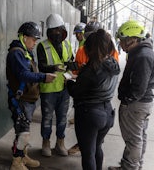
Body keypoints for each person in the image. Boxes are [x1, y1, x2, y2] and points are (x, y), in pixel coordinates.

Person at [67, 28, 120, 170]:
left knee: (88, 153)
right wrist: (85, 70)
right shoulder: (112, 64)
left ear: (90, 49)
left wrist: (69, 83)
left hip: (89, 114)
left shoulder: (92, 70)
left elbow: (76, 92)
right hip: (107, 112)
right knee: (97, 147)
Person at [6, 21, 57, 170]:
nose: (35, 43)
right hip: (20, 100)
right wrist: (43, 77)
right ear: (24, 37)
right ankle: (16, 162)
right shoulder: (16, 53)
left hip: (28, 100)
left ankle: (23, 156)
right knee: (23, 133)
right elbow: (23, 74)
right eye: (33, 39)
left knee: (24, 130)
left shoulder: (26, 52)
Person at [108, 20, 154, 170]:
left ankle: (130, 167)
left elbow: (139, 87)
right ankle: (132, 164)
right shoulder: (140, 52)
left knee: (134, 139)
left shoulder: (143, 56)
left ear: (132, 39)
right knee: (139, 137)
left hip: (136, 104)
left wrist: (127, 100)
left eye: (122, 40)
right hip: (141, 103)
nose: (120, 44)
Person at [36, 13, 75, 157]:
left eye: (59, 30)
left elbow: (70, 63)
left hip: (64, 88)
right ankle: (45, 143)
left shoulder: (67, 44)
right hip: (49, 89)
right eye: (54, 31)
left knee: (62, 118)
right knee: (47, 118)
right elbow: (41, 66)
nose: (57, 33)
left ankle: (60, 143)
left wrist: (71, 73)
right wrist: (54, 68)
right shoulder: (42, 46)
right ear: (49, 31)